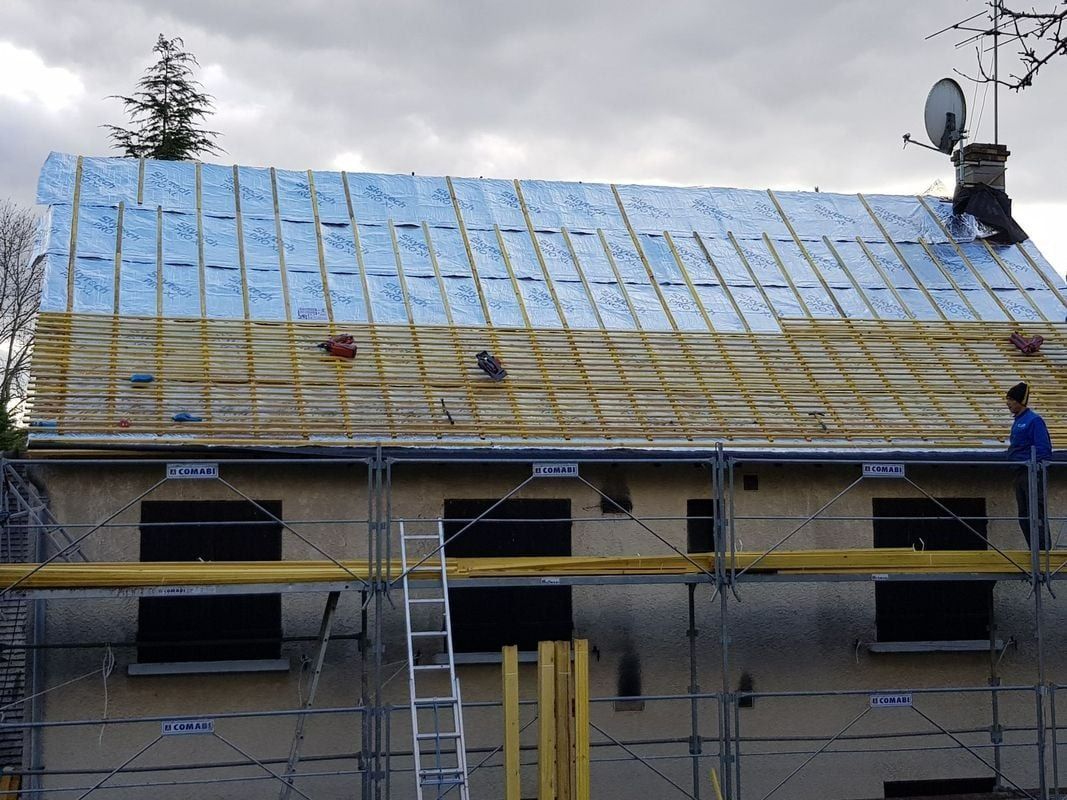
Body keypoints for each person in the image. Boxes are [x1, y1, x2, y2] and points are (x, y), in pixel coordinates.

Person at [1005, 382, 1053, 549]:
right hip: (1018, 471)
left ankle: (1043, 552)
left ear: (1020, 401)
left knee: (1035, 513)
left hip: (1030, 471)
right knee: (1024, 515)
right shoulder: (1018, 421)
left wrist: (1033, 466)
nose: (1008, 403)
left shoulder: (1034, 420)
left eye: (1011, 399)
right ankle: (1033, 549)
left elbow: (1043, 449)